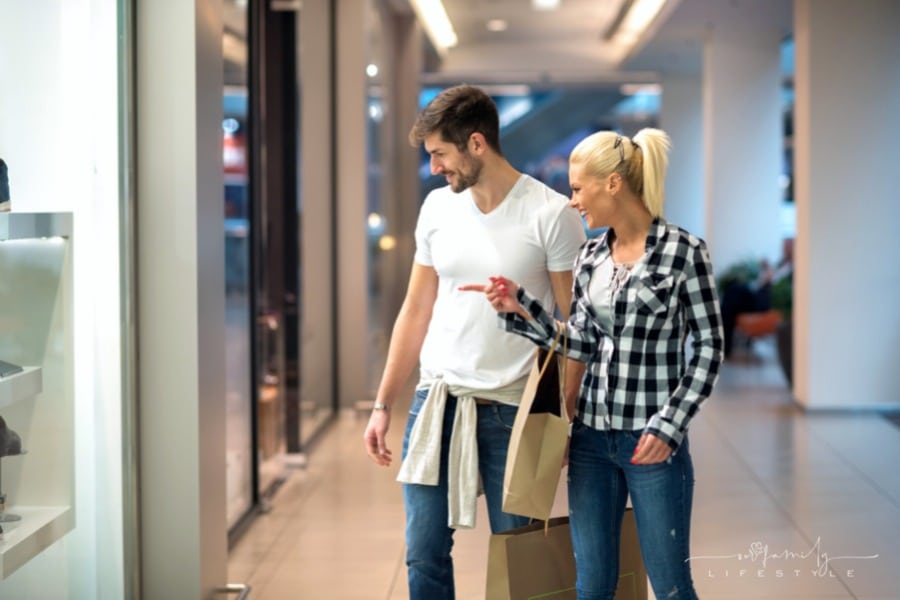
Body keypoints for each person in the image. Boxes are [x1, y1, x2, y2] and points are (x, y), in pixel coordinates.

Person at [462, 128, 724, 600]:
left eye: (578, 188)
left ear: (614, 183)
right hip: (590, 444)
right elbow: (581, 342)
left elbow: (709, 348)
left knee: (670, 587)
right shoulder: (589, 257)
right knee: (593, 587)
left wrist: (670, 426)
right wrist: (523, 310)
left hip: (652, 445)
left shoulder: (684, 253)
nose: (571, 200)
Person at [362, 84, 586, 599]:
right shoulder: (438, 209)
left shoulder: (551, 214)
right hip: (437, 401)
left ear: (477, 144)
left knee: (519, 557)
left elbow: (576, 328)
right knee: (423, 552)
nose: (436, 167)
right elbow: (415, 310)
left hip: (517, 410)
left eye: (441, 154)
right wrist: (382, 404)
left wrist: (565, 416)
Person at [720, 237, 793, 357]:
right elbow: (763, 281)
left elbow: (781, 287)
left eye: (789, 245)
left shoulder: (795, 268)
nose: (785, 248)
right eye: (784, 245)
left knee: (734, 294)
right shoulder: (780, 264)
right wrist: (766, 271)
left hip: (768, 299)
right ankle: (723, 346)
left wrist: (771, 277)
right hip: (759, 294)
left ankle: (723, 347)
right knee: (732, 295)